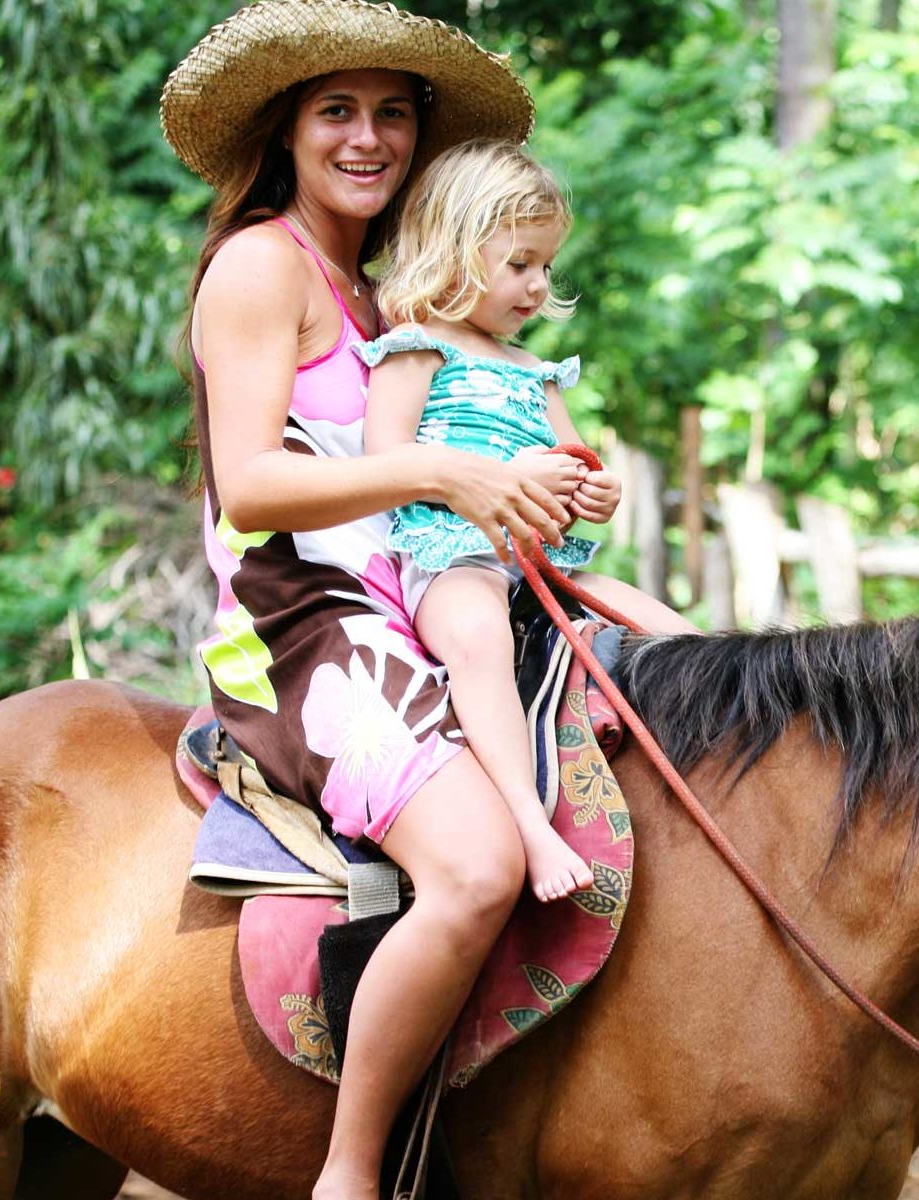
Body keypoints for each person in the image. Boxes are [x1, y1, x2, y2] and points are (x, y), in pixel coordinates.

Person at [159, 4, 687, 1196]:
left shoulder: (384, 293)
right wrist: (445, 474)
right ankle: (350, 1172)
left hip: (422, 595)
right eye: (336, 111)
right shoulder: (262, 265)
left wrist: (542, 486)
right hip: (308, 625)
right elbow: (251, 484)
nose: (367, 137)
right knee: (477, 864)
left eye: (391, 113)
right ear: (284, 129)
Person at [357, 138, 687, 903]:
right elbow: (386, 457)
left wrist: (592, 493)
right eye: (519, 264)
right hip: (453, 556)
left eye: (546, 265)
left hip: (538, 563)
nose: (539, 284)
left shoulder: (536, 372)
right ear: (454, 253)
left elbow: (573, 461)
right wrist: (497, 479)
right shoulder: (418, 350)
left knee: (671, 633)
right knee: (480, 638)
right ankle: (529, 824)